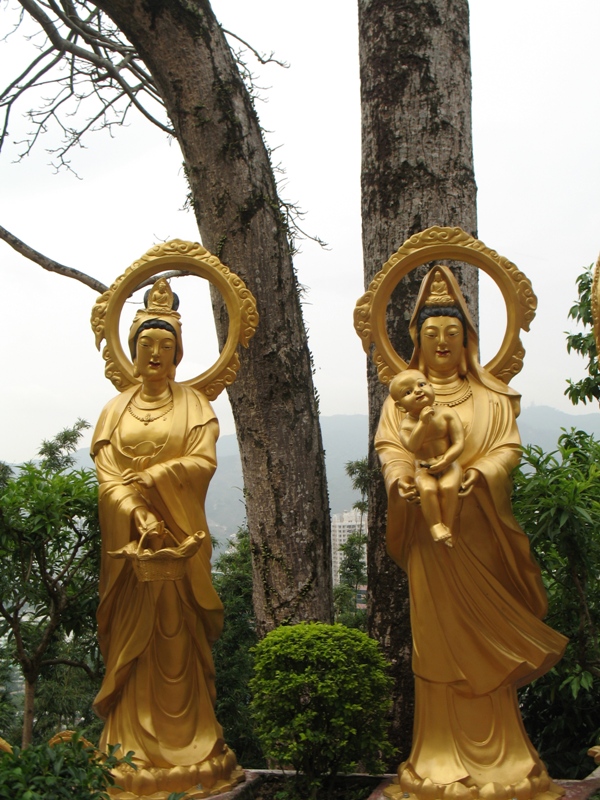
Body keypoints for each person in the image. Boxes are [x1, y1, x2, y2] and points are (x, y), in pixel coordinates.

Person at [376, 267, 568, 800]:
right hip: (429, 544)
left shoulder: (493, 397)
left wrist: (480, 475)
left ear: (469, 341)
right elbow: (391, 452)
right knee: (435, 645)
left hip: (479, 533)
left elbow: (507, 449)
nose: (441, 343)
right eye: (431, 334)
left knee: (487, 646)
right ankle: (435, 756)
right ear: (416, 342)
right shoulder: (399, 402)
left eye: (452, 334)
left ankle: (506, 758)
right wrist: (401, 480)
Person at [91, 281, 241, 798]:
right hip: (131, 550)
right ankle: (131, 745)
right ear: (131, 352)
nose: (155, 353)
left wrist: (156, 477)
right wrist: (134, 508)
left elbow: (203, 462)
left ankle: (192, 743)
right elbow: (107, 474)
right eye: (146, 345)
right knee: (134, 641)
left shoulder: (194, 404)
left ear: (178, 354)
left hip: (179, 541)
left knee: (177, 636)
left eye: (166, 345)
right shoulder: (115, 410)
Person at [389, 369, 464, 547]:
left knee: (448, 486)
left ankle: (447, 528)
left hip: (449, 463)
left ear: (431, 387)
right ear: (401, 407)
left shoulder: (447, 413)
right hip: (424, 468)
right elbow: (412, 446)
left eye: (421, 384)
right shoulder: (406, 425)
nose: (417, 391)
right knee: (428, 489)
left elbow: (459, 443)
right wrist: (423, 422)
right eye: (408, 392)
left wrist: (446, 460)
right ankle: (435, 525)